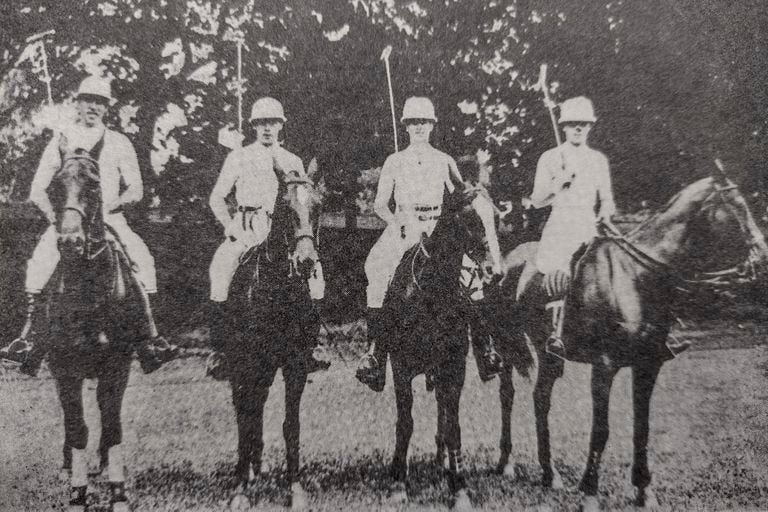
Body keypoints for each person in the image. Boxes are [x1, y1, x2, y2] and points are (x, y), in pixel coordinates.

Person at [0, 76, 176, 375]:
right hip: (68, 221)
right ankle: (27, 340)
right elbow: (37, 190)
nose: (94, 106)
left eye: (100, 102)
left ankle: (151, 340)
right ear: (78, 104)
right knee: (40, 263)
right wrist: (56, 219)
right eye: (88, 100)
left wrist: (110, 205)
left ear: (107, 108)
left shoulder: (120, 142)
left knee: (142, 259)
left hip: (109, 217)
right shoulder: (61, 140)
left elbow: (136, 189)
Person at [355, 96, 502, 392]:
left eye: (424, 122)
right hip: (404, 228)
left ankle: (485, 349)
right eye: (413, 123)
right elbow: (381, 205)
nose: (419, 127)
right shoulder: (394, 161)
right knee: (377, 268)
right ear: (406, 127)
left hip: (439, 228)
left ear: (432, 125)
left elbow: (462, 198)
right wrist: (399, 222)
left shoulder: (445, 160)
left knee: (471, 274)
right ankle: (375, 353)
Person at [207, 97, 329, 379]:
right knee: (220, 270)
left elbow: (302, 200)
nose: (267, 128)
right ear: (253, 126)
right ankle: (220, 350)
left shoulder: (292, 160)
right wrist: (229, 225)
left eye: (272, 122)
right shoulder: (237, 156)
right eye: (261, 123)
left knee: (316, 276)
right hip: (246, 226)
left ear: (281, 125)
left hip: (283, 232)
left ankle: (311, 345)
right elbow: (216, 197)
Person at [520, 96, 617, 358]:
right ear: (563, 127)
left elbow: (607, 199)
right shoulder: (551, 157)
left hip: (588, 225)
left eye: (583, 124)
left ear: (590, 127)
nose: (578, 129)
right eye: (573, 124)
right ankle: (557, 333)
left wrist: (605, 213)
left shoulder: (598, 159)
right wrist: (557, 184)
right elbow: (537, 201)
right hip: (561, 225)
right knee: (562, 272)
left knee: (618, 266)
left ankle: (627, 330)